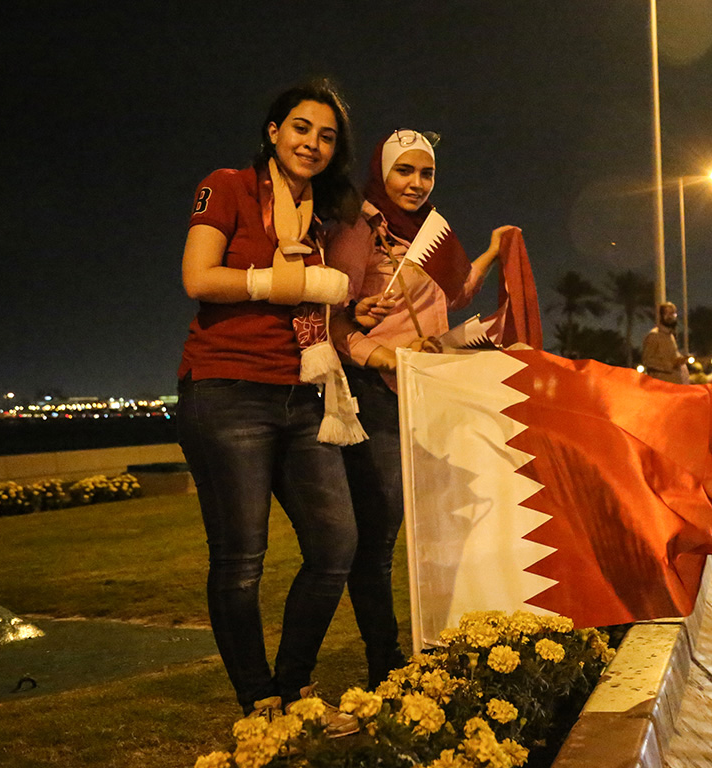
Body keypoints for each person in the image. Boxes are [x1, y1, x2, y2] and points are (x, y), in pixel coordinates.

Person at [177, 79, 374, 728]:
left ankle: (294, 688)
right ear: (272, 130)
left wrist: (342, 296)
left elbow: (330, 290)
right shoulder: (227, 186)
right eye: (300, 128)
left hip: (302, 393)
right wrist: (278, 281)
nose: (312, 143)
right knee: (240, 559)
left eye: (326, 135)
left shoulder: (325, 215)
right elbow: (198, 278)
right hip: (227, 390)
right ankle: (258, 701)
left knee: (336, 544)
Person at [327, 130, 512, 686]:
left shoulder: (433, 233)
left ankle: (433, 641)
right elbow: (332, 322)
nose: (415, 183)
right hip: (376, 396)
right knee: (379, 536)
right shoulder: (360, 229)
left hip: (428, 393)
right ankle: (385, 661)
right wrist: (382, 355)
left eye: (425, 173)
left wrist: (492, 251)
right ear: (382, 172)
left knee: (435, 526)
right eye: (404, 171)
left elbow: (453, 297)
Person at [642, 302, 689, 383]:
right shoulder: (654, 335)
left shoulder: (671, 336)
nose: (671, 317)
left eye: (673, 314)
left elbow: (672, 358)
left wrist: (680, 360)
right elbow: (647, 360)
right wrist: (668, 365)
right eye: (668, 313)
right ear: (661, 316)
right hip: (661, 386)